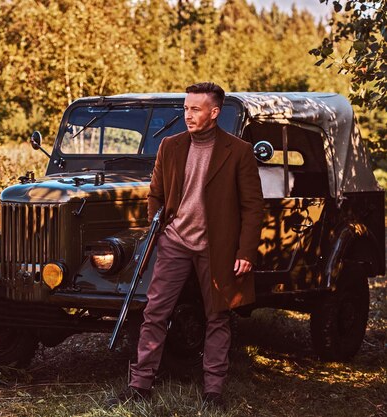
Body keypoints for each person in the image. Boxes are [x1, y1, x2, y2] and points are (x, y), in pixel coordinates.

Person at [110, 82, 264, 408]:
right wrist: (160, 226)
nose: (187, 115)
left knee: (218, 316)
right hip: (175, 242)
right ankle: (139, 385)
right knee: (154, 313)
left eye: (195, 109)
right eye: (185, 108)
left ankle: (213, 392)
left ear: (214, 112)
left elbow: (253, 207)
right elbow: (156, 194)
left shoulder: (237, 151)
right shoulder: (170, 146)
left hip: (216, 246)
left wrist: (246, 252)